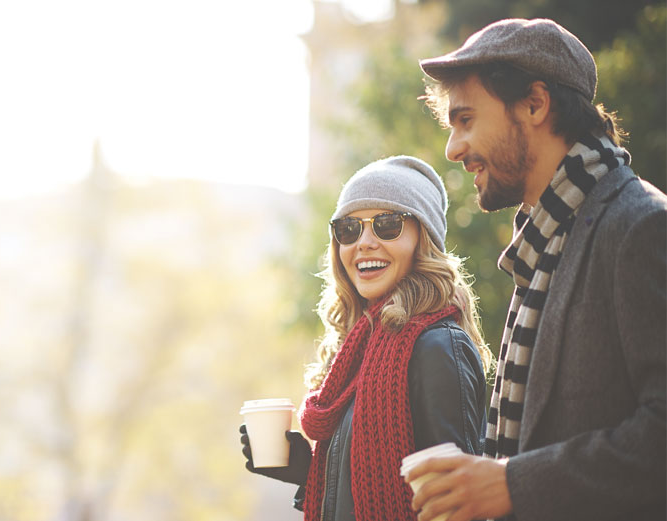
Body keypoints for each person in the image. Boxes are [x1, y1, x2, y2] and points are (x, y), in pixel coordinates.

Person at [406, 18, 667, 521]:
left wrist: (512, 483)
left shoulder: (641, 227)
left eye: (465, 120)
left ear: (534, 104)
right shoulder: (544, 239)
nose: (453, 148)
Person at [239, 156, 494, 521]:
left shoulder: (436, 347)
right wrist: (308, 473)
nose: (365, 242)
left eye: (387, 225)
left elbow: (455, 508)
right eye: (349, 229)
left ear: (423, 239)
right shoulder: (357, 352)